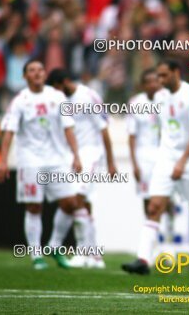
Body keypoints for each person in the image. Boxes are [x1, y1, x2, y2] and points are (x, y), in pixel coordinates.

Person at [0, 60, 91, 270]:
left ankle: (55, 245)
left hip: (56, 160)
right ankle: (36, 255)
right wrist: (2, 161)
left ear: (45, 74)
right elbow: (9, 131)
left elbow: (68, 128)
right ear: (25, 76)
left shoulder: (57, 97)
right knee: (34, 206)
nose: (37, 73)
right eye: (32, 70)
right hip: (30, 161)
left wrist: (76, 155)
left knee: (71, 203)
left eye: (40, 70)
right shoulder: (20, 100)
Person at [122, 60, 189, 274]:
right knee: (154, 207)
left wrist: (182, 161)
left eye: (163, 76)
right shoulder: (160, 97)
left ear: (175, 72)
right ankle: (143, 260)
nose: (160, 81)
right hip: (165, 160)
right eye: (157, 77)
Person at [46, 68, 117, 268]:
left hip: (91, 154)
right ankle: (93, 257)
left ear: (66, 81)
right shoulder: (58, 101)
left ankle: (75, 250)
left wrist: (111, 162)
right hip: (71, 156)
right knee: (77, 204)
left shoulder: (87, 96)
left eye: (58, 88)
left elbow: (104, 130)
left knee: (77, 199)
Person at [121, 68, 174, 275]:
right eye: (148, 82)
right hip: (144, 158)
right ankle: (151, 249)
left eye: (155, 81)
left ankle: (169, 246)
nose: (153, 85)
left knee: (167, 202)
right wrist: (134, 163)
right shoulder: (135, 103)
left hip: (164, 155)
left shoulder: (167, 99)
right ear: (143, 85)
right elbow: (132, 136)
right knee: (148, 203)